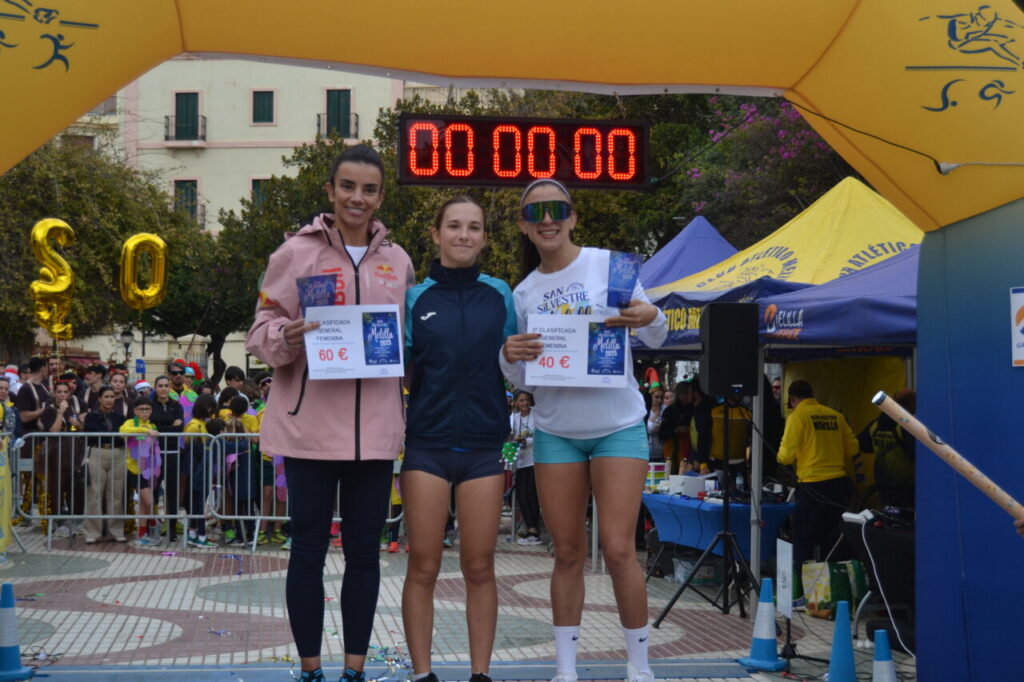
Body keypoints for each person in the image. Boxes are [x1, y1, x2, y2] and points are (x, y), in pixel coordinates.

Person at [245, 144, 414, 682]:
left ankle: (355, 670)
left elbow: (407, 343)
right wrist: (285, 337)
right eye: (347, 187)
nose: (357, 198)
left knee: (365, 554)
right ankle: (311, 669)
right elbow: (259, 330)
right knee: (307, 552)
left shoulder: (400, 261)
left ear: (380, 196)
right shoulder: (294, 253)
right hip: (308, 434)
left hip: (374, 437)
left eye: (368, 189)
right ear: (330, 192)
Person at [499, 178, 668, 682]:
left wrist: (649, 314)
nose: (547, 219)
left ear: (573, 216)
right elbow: (523, 375)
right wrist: (509, 357)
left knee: (618, 549)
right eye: (536, 213)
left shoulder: (611, 265)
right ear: (525, 227)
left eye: (557, 209)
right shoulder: (523, 292)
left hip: (617, 425)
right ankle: (566, 669)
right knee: (567, 551)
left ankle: (639, 667)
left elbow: (656, 332)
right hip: (557, 430)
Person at [401, 196, 516, 682]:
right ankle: (423, 674)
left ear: (485, 237)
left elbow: (516, 361)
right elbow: (397, 370)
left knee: (479, 566)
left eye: (473, 227)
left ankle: (480, 674)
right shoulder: (413, 298)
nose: (463, 235)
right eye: (454, 226)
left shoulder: (501, 295)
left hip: (486, 449)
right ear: (435, 233)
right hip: (425, 446)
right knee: (423, 565)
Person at [776, 380, 858, 573]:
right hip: (837, 485)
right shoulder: (836, 415)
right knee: (834, 537)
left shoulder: (797, 417)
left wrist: (780, 457)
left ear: (792, 399)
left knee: (804, 537)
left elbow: (786, 456)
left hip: (812, 485)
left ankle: (803, 586)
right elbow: (853, 448)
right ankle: (834, 583)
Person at [82, 387, 128, 543]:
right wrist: (111, 433)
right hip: (97, 453)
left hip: (117, 453)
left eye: (112, 396)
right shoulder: (91, 417)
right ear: (100, 398)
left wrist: (110, 434)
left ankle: (115, 530)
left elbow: (122, 435)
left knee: (116, 493)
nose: (109, 399)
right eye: (106, 396)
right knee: (94, 493)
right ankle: (93, 531)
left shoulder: (120, 417)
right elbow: (92, 432)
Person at [857, 388, 916, 508]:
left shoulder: (875, 425)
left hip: (883, 485)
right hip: (907, 487)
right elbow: (918, 455)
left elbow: (863, 446)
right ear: (911, 404)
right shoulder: (907, 427)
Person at [150, 376, 184, 543]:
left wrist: (162, 427)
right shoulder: (150, 406)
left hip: (172, 453)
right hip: (153, 453)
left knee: (172, 491)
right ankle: (153, 525)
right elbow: (151, 426)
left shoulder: (176, 406)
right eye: (160, 385)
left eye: (166, 385)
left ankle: (172, 528)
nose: (163, 388)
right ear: (155, 387)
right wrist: (170, 426)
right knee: (153, 490)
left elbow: (180, 428)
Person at [510, 390, 542, 545]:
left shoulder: (536, 414)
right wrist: (515, 439)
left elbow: (539, 436)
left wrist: (526, 441)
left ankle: (533, 531)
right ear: (516, 402)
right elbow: (509, 437)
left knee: (533, 495)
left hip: (535, 460)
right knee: (522, 496)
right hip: (521, 461)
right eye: (521, 400)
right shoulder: (514, 418)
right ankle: (531, 529)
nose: (524, 403)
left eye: (526, 400)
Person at [657, 382, 693, 475]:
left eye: (689, 393)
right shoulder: (669, 411)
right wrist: (676, 430)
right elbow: (661, 434)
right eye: (686, 393)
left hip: (689, 453)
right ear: (679, 394)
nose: (688, 396)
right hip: (671, 454)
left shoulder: (693, 409)